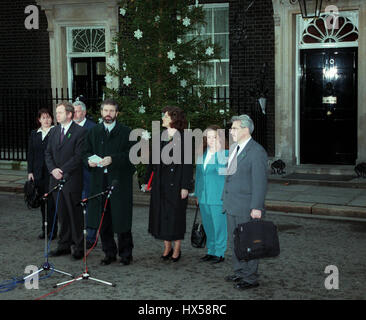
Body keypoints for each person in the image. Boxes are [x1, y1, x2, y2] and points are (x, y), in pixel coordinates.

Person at [83, 99, 136, 266]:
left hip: (119, 182)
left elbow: (131, 155)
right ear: (101, 112)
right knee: (103, 219)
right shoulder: (94, 131)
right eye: (105, 110)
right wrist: (88, 161)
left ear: (117, 113)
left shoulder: (126, 132)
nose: (108, 114)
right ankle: (109, 252)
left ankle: (126, 254)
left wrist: (113, 159)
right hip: (100, 181)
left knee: (121, 219)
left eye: (112, 111)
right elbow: (85, 152)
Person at [222, 114, 268, 290]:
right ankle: (240, 271)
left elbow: (260, 182)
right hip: (232, 203)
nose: (231, 131)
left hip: (246, 206)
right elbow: (229, 177)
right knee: (235, 241)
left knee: (248, 242)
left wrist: (257, 207)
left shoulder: (256, 152)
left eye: (234, 128)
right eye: (231, 128)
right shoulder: (235, 148)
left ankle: (250, 277)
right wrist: (224, 197)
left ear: (246, 129)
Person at [143, 106, 193, 262]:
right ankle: (167, 246)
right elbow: (151, 161)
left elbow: (187, 164)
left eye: (165, 116)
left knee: (175, 215)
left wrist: (185, 186)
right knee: (161, 214)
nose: (163, 118)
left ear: (174, 118)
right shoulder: (159, 136)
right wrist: (146, 180)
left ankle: (177, 248)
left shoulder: (185, 138)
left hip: (176, 183)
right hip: (160, 182)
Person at [45, 101, 87, 260]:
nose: (57, 115)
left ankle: (78, 247)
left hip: (71, 179)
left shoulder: (80, 132)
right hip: (55, 179)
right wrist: (53, 170)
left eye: (60, 112)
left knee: (74, 214)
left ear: (69, 114)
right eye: (57, 112)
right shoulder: (54, 131)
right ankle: (64, 245)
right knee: (61, 213)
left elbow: (78, 156)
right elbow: (47, 153)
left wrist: (62, 170)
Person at [194, 125, 229, 264]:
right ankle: (210, 250)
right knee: (208, 225)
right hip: (203, 196)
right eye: (209, 137)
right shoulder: (202, 154)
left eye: (215, 137)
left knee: (219, 226)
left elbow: (227, 175)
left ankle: (220, 253)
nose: (211, 140)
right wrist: (197, 194)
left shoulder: (225, 154)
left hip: (218, 197)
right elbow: (198, 175)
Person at [27, 108, 57, 239]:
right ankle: (44, 229)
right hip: (38, 174)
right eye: (43, 117)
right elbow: (31, 153)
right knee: (42, 203)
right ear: (39, 120)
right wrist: (30, 171)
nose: (46, 120)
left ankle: (52, 231)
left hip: (51, 173)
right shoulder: (34, 134)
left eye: (48, 117)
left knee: (51, 203)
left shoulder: (56, 132)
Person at [73, 98, 97, 249]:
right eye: (73, 111)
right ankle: (76, 236)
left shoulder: (93, 128)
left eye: (77, 111)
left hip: (89, 174)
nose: (74, 114)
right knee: (75, 206)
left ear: (84, 112)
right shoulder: (68, 128)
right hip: (73, 175)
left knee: (90, 206)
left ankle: (91, 237)